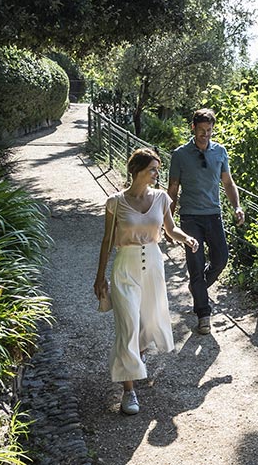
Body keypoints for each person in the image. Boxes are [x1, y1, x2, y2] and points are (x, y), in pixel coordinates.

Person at [94, 148, 199, 416]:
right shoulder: (115, 202)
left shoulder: (162, 198)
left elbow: (170, 228)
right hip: (124, 268)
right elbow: (107, 241)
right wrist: (99, 276)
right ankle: (128, 391)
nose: (157, 173)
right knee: (128, 326)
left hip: (153, 264)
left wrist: (185, 237)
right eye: (153, 168)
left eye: (157, 168)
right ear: (137, 170)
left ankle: (136, 357)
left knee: (147, 323)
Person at [169, 108, 243, 334]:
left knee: (221, 259)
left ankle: (197, 287)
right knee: (195, 264)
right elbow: (172, 189)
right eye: (201, 130)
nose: (205, 135)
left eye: (209, 131)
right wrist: (167, 221)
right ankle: (203, 313)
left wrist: (237, 206)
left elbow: (228, 184)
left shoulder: (220, 152)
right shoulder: (180, 155)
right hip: (190, 217)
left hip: (213, 215)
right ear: (193, 128)